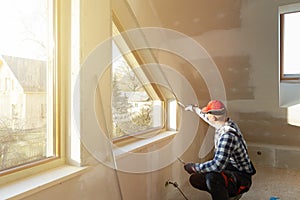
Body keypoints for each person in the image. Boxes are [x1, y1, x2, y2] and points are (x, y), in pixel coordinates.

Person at [183, 100, 256, 200]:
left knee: (212, 177)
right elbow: (207, 117)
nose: (207, 117)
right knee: (196, 178)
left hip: (242, 177)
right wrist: (194, 108)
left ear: (213, 117)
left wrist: (194, 167)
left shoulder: (227, 136)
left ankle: (232, 192)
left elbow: (217, 165)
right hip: (230, 168)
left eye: (208, 114)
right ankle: (225, 191)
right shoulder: (225, 123)